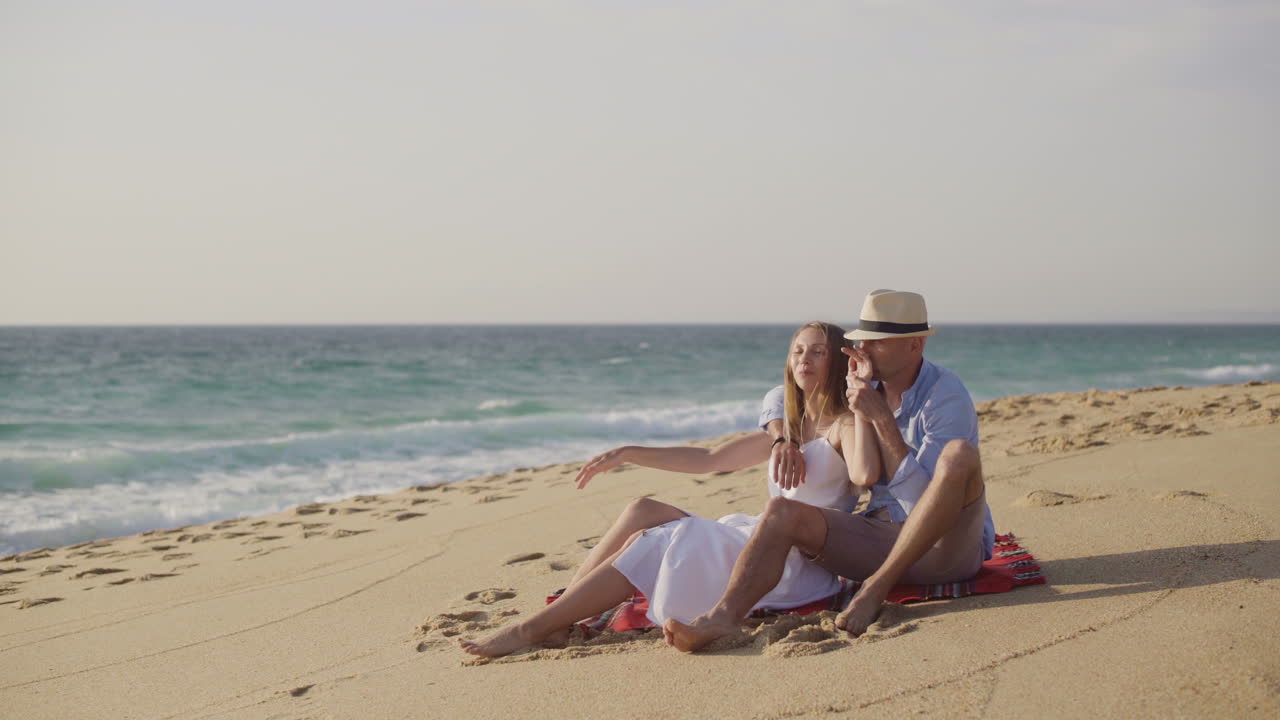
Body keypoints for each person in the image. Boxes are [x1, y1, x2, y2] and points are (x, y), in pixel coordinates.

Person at [459, 321, 881, 658]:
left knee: (659, 539)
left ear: (839, 362)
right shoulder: (786, 430)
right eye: (798, 350)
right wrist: (630, 453)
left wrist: (860, 404)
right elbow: (709, 460)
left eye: (818, 351)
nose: (805, 359)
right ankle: (562, 612)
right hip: (753, 534)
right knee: (643, 509)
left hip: (793, 564)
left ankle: (530, 629)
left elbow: (864, 476)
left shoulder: (842, 426)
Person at [665, 289, 995, 651]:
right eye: (862, 340)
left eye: (876, 342)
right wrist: (781, 437)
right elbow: (785, 392)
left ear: (914, 345)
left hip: (946, 549)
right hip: (881, 536)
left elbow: (924, 506)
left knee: (959, 455)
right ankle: (722, 618)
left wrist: (881, 419)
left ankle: (876, 588)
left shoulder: (944, 395)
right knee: (781, 511)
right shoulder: (865, 382)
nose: (863, 350)